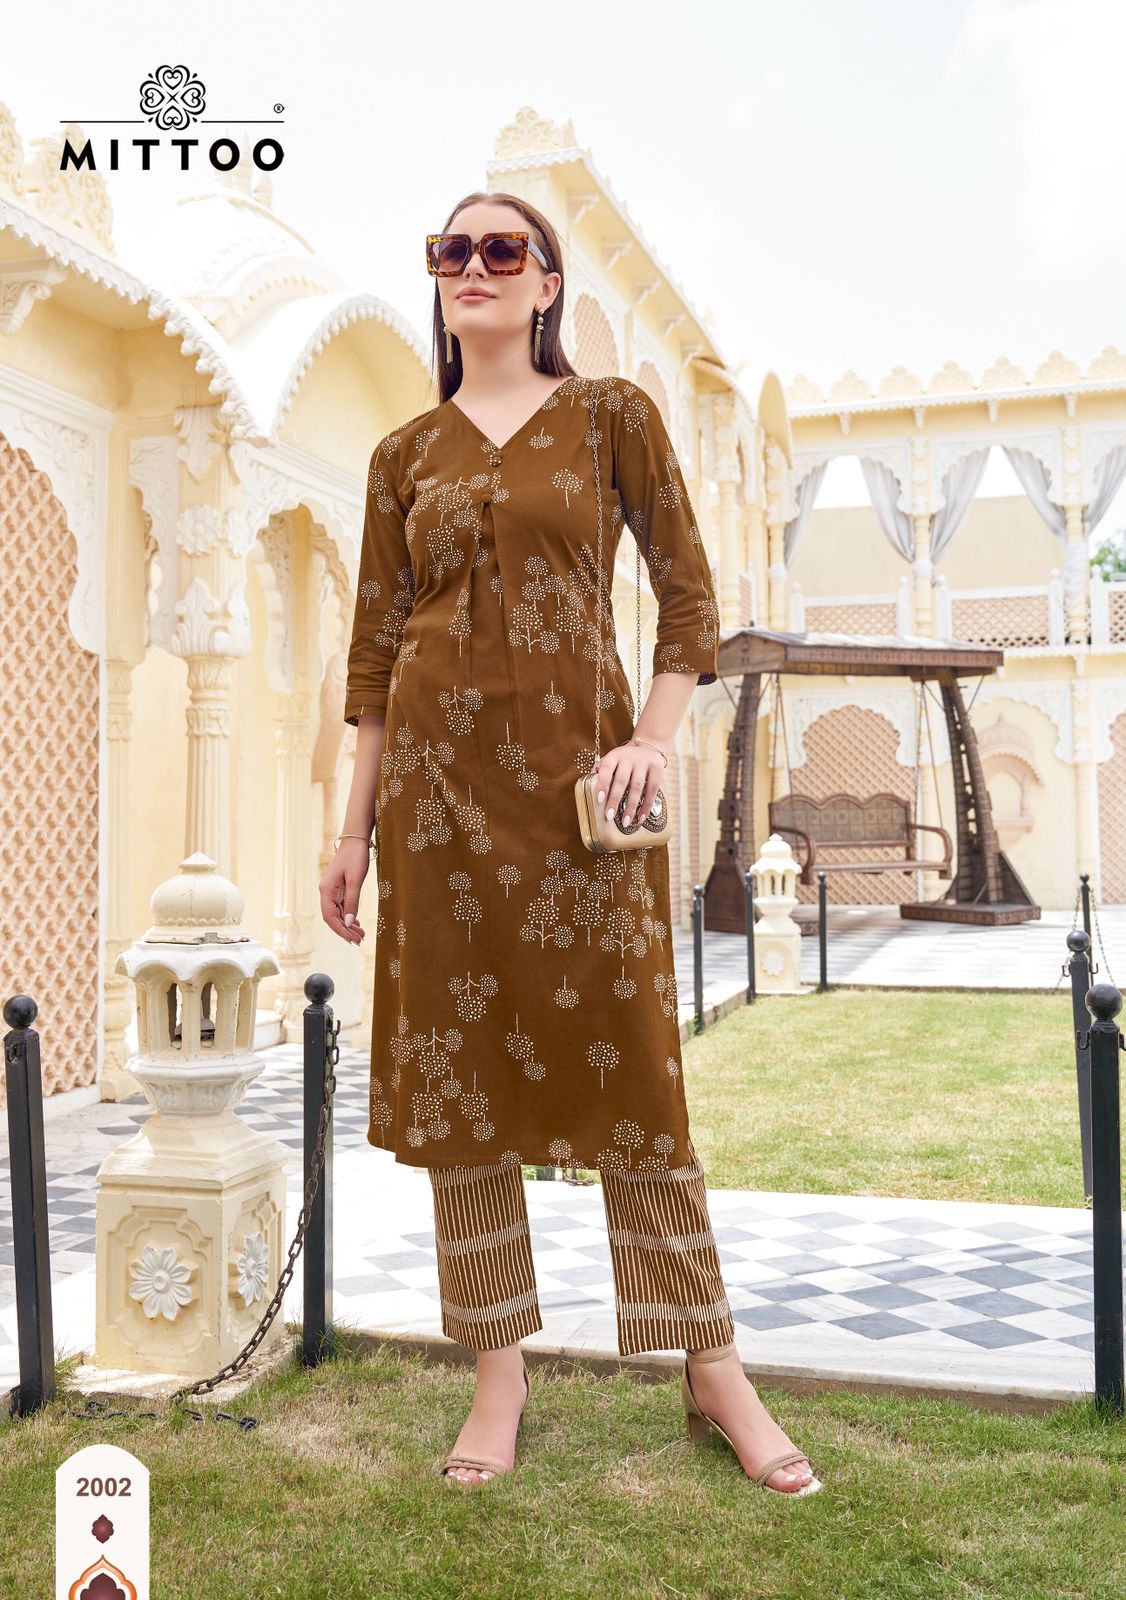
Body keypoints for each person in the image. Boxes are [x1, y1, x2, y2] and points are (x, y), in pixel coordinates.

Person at [318, 191, 820, 1497]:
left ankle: (711, 1364)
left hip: (582, 800)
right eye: (452, 251)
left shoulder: (610, 417)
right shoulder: (401, 455)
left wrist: (652, 735)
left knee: (637, 1074)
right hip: (434, 808)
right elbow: (372, 656)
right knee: (463, 1086)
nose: (473, 268)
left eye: (503, 250)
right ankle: (499, 1372)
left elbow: (690, 597)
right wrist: (349, 829)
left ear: (547, 284)